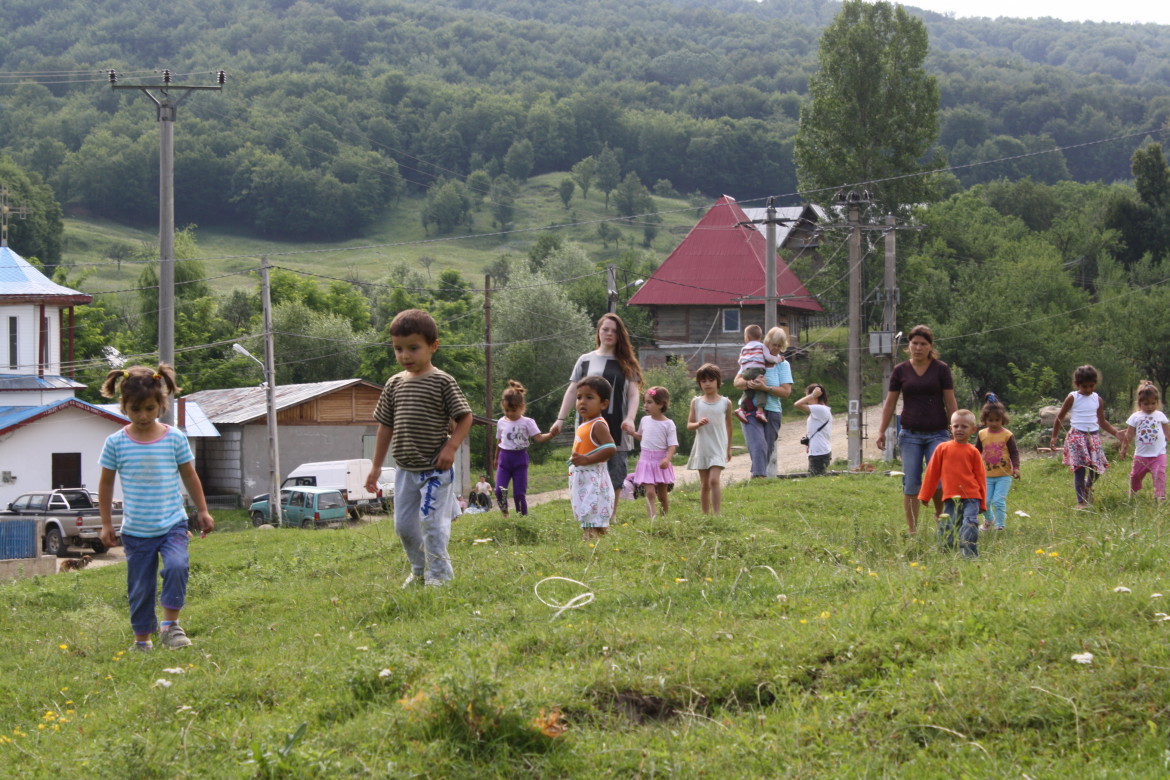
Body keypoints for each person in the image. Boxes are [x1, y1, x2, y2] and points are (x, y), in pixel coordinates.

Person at [97, 364, 214, 652]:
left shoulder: (174, 438)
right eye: (136, 409)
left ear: (161, 404)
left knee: (177, 566)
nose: (143, 416)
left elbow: (189, 475)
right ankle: (142, 640)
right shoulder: (115, 443)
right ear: (124, 406)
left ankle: (170, 626)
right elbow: (105, 485)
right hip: (136, 530)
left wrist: (203, 510)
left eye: (149, 408)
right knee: (140, 587)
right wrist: (106, 524)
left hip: (172, 523)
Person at [364, 309, 473, 587]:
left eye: (413, 348)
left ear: (433, 347)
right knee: (404, 527)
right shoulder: (393, 384)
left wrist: (451, 447)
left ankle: (440, 577)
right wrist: (375, 467)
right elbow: (385, 426)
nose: (405, 356)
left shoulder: (442, 381)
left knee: (432, 524)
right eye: (398, 349)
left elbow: (465, 417)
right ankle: (419, 570)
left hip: (435, 470)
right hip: (405, 471)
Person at [550, 314, 643, 519]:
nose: (609, 333)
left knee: (616, 471)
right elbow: (573, 390)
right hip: (587, 427)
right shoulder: (585, 360)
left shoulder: (626, 363)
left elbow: (634, 393)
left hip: (617, 425)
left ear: (620, 335)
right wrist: (560, 419)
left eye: (614, 330)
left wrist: (630, 418)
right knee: (586, 468)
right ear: (598, 332)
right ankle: (587, 514)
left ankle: (611, 516)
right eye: (605, 329)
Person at [875, 324, 958, 534]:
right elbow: (890, 403)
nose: (918, 348)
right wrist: (881, 431)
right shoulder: (900, 370)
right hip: (910, 434)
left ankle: (940, 516)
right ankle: (912, 531)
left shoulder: (941, 369)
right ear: (908, 346)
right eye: (915, 343)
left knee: (938, 479)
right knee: (911, 482)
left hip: (938, 433)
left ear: (930, 346)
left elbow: (950, 401)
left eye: (923, 344)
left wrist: (956, 427)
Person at [1050, 365, 1121, 509]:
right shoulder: (1073, 397)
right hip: (1077, 437)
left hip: (1093, 437)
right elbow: (1060, 417)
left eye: (1091, 386)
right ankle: (1081, 501)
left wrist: (1116, 433)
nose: (1088, 389)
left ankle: (1088, 487)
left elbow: (1102, 421)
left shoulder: (1097, 399)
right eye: (1084, 386)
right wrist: (1054, 437)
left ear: (1095, 384)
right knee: (1080, 469)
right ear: (1077, 384)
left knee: (1097, 468)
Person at [919, 409, 986, 558]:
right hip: (950, 497)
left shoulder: (973, 451)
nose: (959, 430)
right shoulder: (942, 448)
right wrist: (925, 495)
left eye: (964, 426)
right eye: (956, 426)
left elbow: (980, 477)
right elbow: (932, 473)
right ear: (950, 428)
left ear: (973, 429)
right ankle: (945, 553)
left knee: (970, 524)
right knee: (948, 526)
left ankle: (968, 555)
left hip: (972, 497)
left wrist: (982, 503)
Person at [732, 326, 793, 478]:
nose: (776, 349)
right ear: (767, 343)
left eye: (779, 346)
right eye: (774, 345)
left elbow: (786, 392)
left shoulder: (783, 364)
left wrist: (765, 388)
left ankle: (760, 478)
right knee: (758, 445)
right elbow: (736, 382)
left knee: (767, 447)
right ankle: (758, 477)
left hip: (772, 411)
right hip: (750, 410)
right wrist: (749, 384)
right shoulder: (755, 359)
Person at [495, 380, 554, 517]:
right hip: (504, 459)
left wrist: (551, 434)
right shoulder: (501, 422)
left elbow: (538, 438)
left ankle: (522, 518)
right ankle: (505, 512)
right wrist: (496, 458)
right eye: (506, 410)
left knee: (519, 494)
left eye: (513, 410)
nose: (509, 413)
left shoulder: (527, 422)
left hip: (520, 459)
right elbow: (499, 441)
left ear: (521, 407)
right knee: (499, 490)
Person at [568, 375, 617, 540]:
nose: (582, 402)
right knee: (588, 511)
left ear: (603, 403)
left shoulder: (598, 424)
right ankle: (600, 540)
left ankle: (590, 542)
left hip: (593, 478)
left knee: (592, 509)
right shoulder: (584, 424)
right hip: (583, 477)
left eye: (589, 397)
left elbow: (610, 447)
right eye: (579, 397)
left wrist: (587, 459)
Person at [687, 363, 732, 515]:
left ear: (718, 381)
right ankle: (706, 516)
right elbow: (689, 425)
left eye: (711, 380)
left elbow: (729, 426)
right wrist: (698, 424)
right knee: (705, 484)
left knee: (714, 480)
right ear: (699, 383)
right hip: (703, 447)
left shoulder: (726, 403)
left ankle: (717, 514)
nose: (707, 383)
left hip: (719, 446)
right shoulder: (696, 402)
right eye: (703, 380)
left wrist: (728, 448)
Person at [631, 386, 678, 520]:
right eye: (645, 402)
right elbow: (641, 436)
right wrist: (631, 432)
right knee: (650, 492)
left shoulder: (669, 424)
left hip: (661, 462)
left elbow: (672, 445)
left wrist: (667, 459)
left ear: (661, 404)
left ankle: (664, 517)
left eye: (649, 402)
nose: (645, 405)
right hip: (646, 461)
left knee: (662, 494)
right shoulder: (644, 420)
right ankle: (652, 517)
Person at [1118, 380, 1169, 501]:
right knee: (1135, 476)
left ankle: (1160, 496)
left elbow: (1168, 432)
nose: (1150, 406)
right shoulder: (1135, 417)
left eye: (1153, 403)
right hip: (1141, 455)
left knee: (1159, 474)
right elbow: (1129, 434)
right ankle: (1133, 492)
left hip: (1159, 454)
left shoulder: (1160, 415)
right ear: (1140, 403)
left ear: (1157, 402)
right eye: (1146, 404)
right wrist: (1124, 448)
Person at [976, 394, 1020, 531]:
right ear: (984, 420)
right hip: (986, 475)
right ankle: (989, 520)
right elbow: (976, 452)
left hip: (1004, 475)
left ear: (1003, 419)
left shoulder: (1007, 435)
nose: (994, 423)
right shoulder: (982, 434)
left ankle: (1000, 525)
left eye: (997, 420)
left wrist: (1016, 468)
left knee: (998, 501)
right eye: (990, 420)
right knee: (985, 502)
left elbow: (1014, 452)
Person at [734, 324, 781, 424]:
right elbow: (768, 358)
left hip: (746, 371)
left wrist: (744, 371)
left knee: (749, 391)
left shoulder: (743, 348)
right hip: (757, 370)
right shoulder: (761, 346)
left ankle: (741, 409)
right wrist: (778, 359)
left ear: (746, 337)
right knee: (761, 389)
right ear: (760, 337)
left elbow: (740, 361)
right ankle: (760, 411)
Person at [794, 384, 832, 476]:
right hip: (819, 450)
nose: (806, 399)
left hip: (818, 452)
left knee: (816, 478)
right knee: (817, 477)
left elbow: (797, 404)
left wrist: (812, 395)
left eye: (807, 395)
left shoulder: (819, 409)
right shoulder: (822, 410)